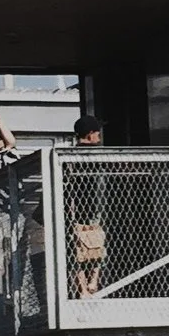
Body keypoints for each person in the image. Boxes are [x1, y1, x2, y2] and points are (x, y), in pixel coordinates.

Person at [68, 112, 108, 297]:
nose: (99, 137)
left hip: (75, 211)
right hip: (91, 209)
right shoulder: (95, 154)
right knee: (95, 247)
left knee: (77, 250)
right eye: (97, 133)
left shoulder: (69, 155)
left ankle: (83, 287)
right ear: (91, 134)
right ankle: (92, 284)